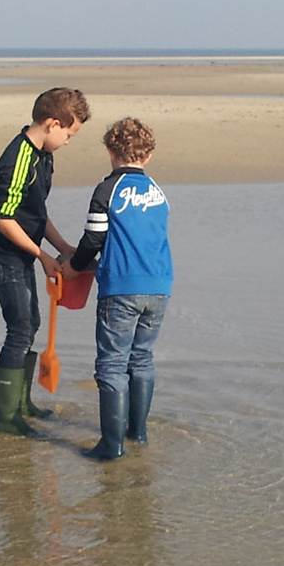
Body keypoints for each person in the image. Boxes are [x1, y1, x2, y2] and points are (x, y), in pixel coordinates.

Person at [0, 88, 90, 434]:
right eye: (69, 134)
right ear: (52, 123)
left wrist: (64, 246)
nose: (68, 142)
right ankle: (7, 418)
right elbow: (3, 219)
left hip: (23, 251)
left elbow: (37, 214)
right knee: (20, 327)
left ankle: (23, 403)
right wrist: (42, 255)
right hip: (1, 253)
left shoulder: (44, 156)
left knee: (31, 322)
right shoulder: (17, 161)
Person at [67, 117, 172, 460]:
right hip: (159, 286)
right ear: (148, 155)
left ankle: (111, 447)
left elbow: (93, 238)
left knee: (112, 364)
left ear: (111, 152)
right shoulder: (158, 192)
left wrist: (74, 266)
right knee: (141, 358)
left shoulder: (107, 189)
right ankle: (137, 434)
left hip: (122, 288)